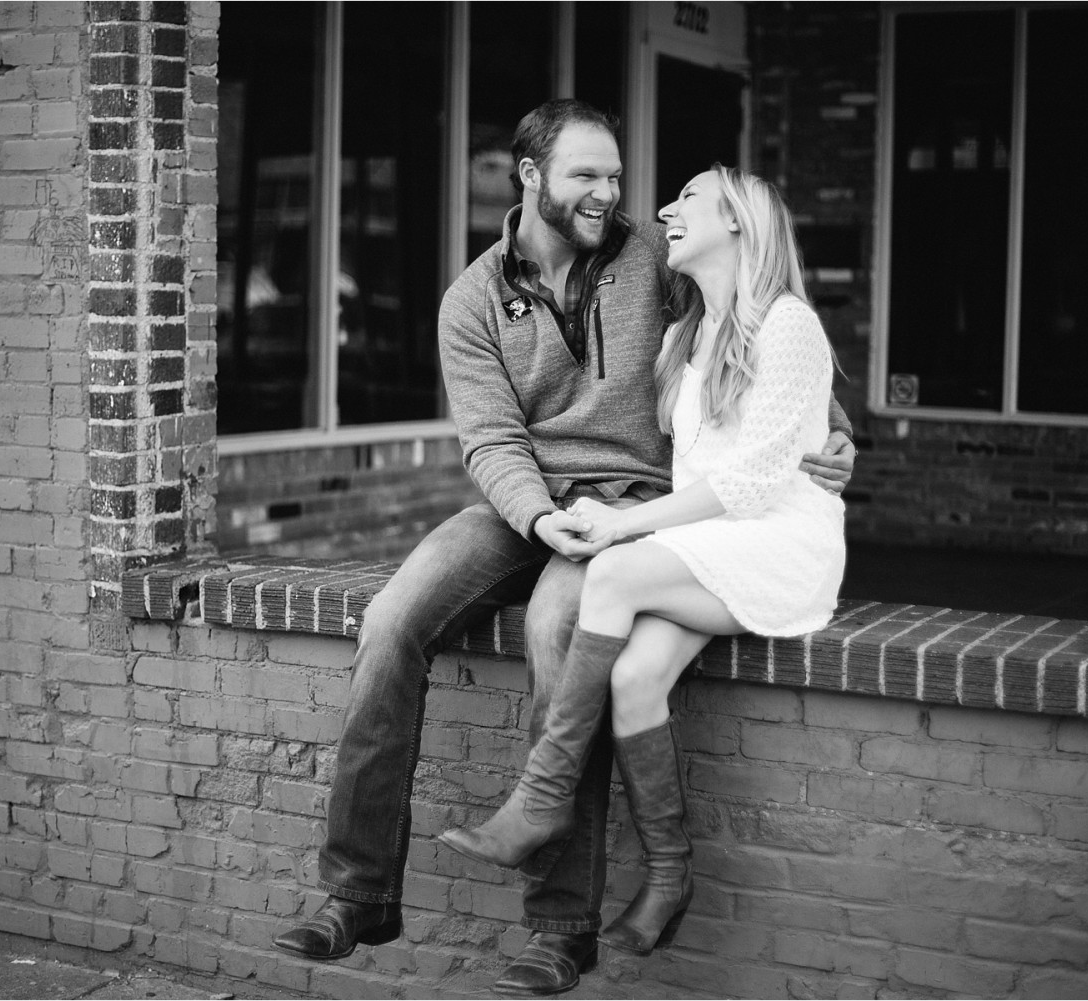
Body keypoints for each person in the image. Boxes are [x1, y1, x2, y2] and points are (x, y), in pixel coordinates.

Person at [271, 101, 856, 997]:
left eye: (615, 176)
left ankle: (559, 929)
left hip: (637, 506)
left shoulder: (652, 260)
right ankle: (357, 892)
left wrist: (836, 431)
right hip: (528, 508)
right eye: (587, 176)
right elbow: (491, 441)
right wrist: (540, 519)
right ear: (530, 174)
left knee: (558, 625)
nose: (610, 194)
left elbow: (754, 334)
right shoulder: (471, 300)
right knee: (390, 619)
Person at [439, 165, 846, 959]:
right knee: (631, 677)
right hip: (712, 542)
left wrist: (627, 527)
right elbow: (701, 472)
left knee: (615, 572)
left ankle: (543, 795)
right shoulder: (686, 336)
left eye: (687, 198)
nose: (663, 210)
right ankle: (670, 875)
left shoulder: (789, 324)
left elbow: (753, 481)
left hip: (779, 541)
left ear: (739, 222)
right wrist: (625, 522)